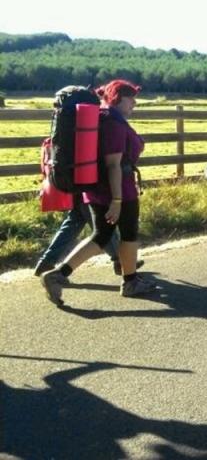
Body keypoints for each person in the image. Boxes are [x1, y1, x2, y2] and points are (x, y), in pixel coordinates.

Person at [41, 79, 154, 306]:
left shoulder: (103, 117)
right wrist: (117, 199)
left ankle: (57, 275)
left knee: (101, 235)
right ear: (118, 98)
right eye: (131, 98)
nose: (135, 103)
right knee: (129, 233)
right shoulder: (113, 123)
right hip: (118, 189)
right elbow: (113, 164)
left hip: (96, 189)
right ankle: (130, 282)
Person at [33, 194, 138, 277]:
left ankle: (46, 262)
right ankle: (121, 262)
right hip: (89, 186)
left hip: (78, 184)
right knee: (103, 229)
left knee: (72, 225)